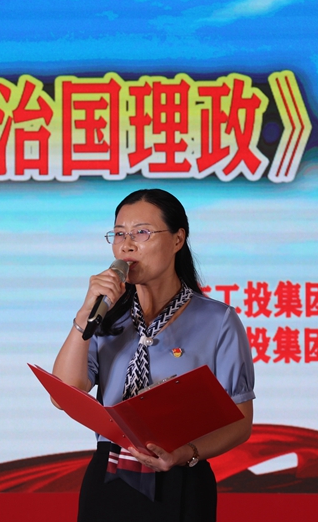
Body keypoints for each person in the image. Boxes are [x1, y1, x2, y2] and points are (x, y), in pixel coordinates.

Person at [53, 188, 255, 522]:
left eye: (141, 233)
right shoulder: (104, 317)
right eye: (119, 234)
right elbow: (64, 394)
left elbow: (240, 421)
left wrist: (185, 453)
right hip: (109, 475)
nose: (127, 245)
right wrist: (86, 312)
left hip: (181, 480)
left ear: (178, 239)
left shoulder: (218, 321)